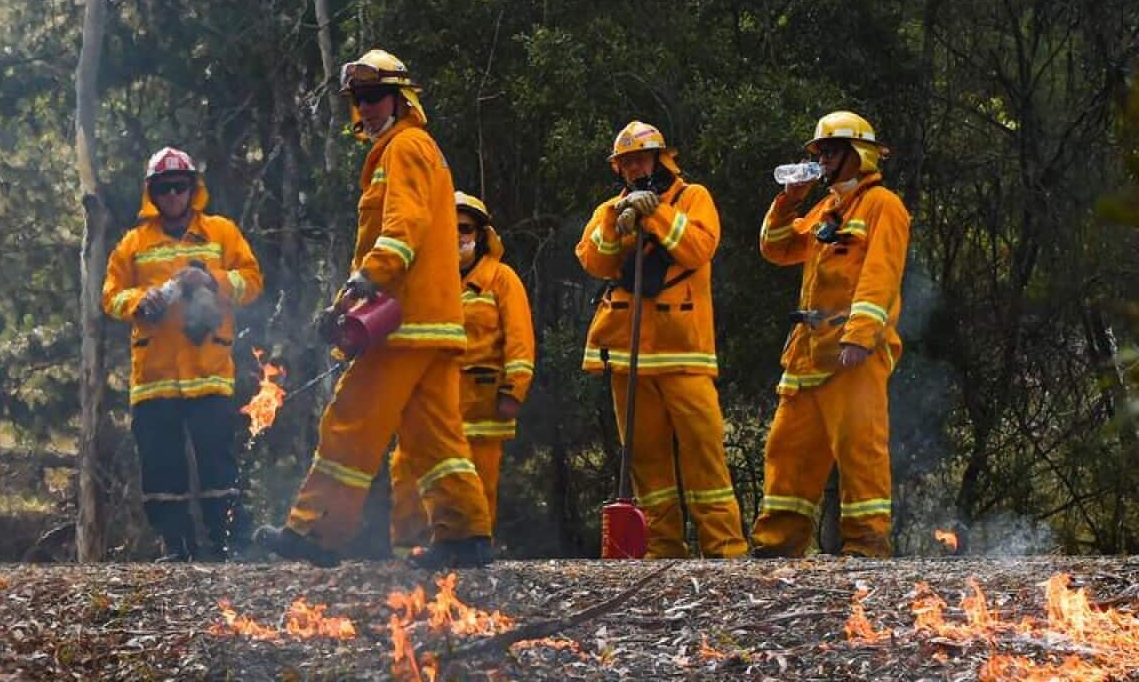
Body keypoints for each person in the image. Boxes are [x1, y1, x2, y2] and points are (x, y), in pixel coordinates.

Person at [254, 50, 493, 568]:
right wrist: (345, 302)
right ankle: (466, 536)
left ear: (401, 98)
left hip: (403, 326)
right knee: (436, 438)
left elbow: (401, 230)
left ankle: (315, 533)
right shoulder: (419, 147)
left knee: (349, 420)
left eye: (373, 97)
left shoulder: (403, 148)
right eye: (358, 101)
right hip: (436, 325)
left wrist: (369, 277)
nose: (365, 109)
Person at [576, 120, 748, 559]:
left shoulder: (694, 198)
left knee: (704, 451)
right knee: (646, 460)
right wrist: (619, 219)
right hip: (628, 352)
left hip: (683, 349)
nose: (634, 168)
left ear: (660, 158)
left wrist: (656, 213)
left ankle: (724, 548)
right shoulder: (608, 209)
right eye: (626, 162)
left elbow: (697, 248)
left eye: (641, 159)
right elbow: (594, 259)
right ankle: (662, 547)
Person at [751, 110, 910, 558]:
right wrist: (788, 200)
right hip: (808, 353)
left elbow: (881, 274)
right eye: (818, 151)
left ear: (856, 154)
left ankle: (865, 545)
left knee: (861, 448)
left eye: (828, 150)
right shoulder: (827, 208)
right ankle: (776, 545)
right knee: (788, 448)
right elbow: (776, 248)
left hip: (852, 352)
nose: (820, 159)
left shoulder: (883, 206)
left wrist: (860, 336)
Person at [102, 146, 263, 561]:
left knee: (217, 463)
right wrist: (140, 302)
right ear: (151, 193)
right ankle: (176, 547)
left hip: (209, 371)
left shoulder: (222, 233)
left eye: (180, 186)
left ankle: (227, 545)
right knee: (160, 468)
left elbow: (252, 282)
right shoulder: (133, 244)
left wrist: (210, 279)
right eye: (164, 188)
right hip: (154, 378)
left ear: (194, 189)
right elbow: (111, 296)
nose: (173, 194)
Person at [388, 192, 536, 557]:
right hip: (428, 404)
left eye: (465, 228)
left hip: (481, 405)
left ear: (482, 234)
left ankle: (471, 558)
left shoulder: (501, 280)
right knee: (407, 474)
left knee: (477, 484)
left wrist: (513, 391)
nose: (456, 235)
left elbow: (520, 342)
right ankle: (408, 555)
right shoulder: (423, 280)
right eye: (447, 228)